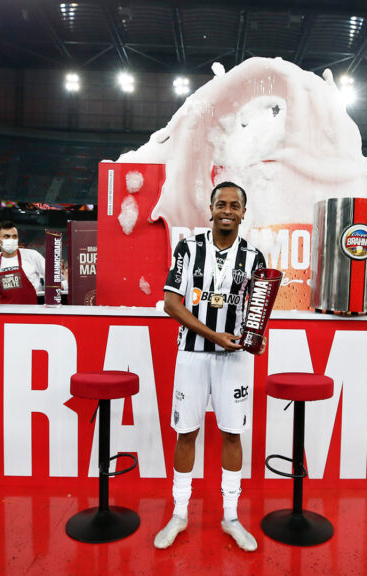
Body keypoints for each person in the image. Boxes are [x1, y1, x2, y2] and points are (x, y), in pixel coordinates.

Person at [155, 182, 267, 552]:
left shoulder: (255, 257)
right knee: (186, 432)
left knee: (232, 434)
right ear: (211, 208)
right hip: (192, 354)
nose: (227, 211)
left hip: (234, 358)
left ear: (243, 213)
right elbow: (172, 304)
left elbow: (257, 311)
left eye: (235, 205)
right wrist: (213, 335)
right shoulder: (188, 248)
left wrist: (256, 337)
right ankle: (179, 513)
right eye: (221, 204)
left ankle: (231, 517)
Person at [0, 221, 45, 304]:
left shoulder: (32, 256)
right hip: (4, 310)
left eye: (14, 236)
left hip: (31, 309)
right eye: (6, 236)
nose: (11, 239)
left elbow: (54, 278)